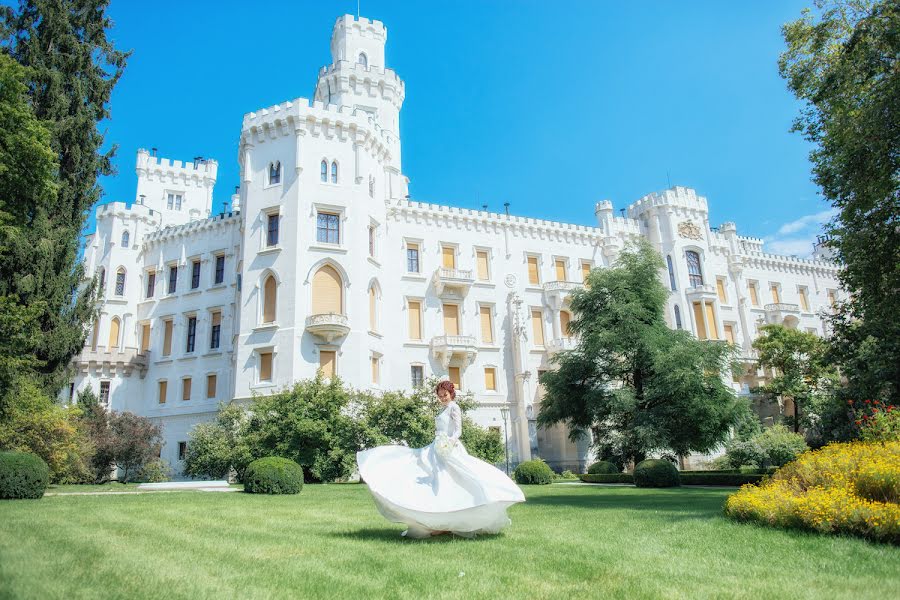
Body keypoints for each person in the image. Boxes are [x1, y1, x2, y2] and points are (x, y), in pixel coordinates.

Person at [357, 380, 525, 538]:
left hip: (449, 448)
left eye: (445, 394)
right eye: (440, 395)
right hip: (436, 447)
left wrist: (449, 443)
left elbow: (458, 430)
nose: (442, 398)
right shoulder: (442, 409)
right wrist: (440, 444)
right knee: (432, 482)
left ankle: (449, 522)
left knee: (450, 483)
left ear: (451, 394)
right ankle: (437, 523)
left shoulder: (454, 407)